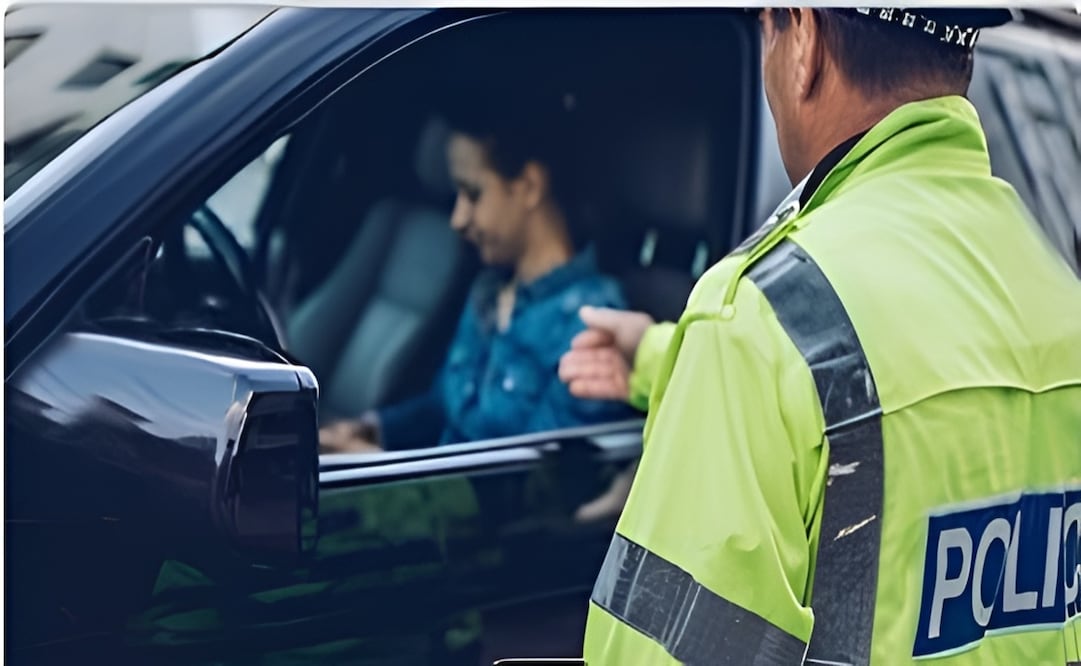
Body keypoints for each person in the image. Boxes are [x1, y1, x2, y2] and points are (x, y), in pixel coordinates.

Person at [565, 8, 1081, 664]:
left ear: (802, 37)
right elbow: (863, 380)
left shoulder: (758, 320)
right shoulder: (1059, 300)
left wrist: (712, 343)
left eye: (765, 27)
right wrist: (658, 355)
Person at [321, 90, 634, 454]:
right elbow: (443, 406)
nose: (457, 219)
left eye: (472, 194)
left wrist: (376, 467)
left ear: (530, 186)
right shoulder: (487, 291)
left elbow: (538, 488)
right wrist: (370, 431)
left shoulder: (590, 325)